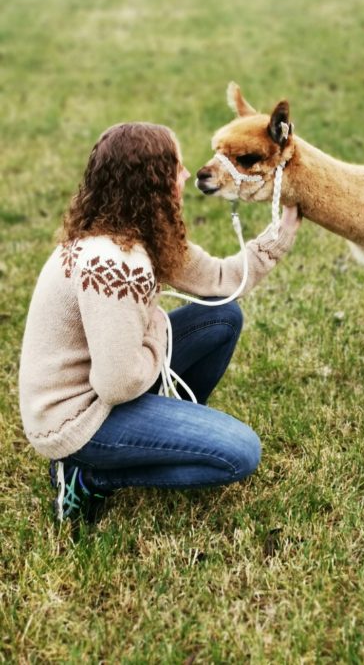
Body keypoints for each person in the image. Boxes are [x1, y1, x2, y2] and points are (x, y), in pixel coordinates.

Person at [19, 122, 301, 523]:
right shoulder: (114, 262)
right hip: (77, 419)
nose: (186, 175)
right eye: (177, 167)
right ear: (152, 182)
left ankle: (168, 434)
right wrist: (154, 333)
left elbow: (223, 281)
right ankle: (89, 476)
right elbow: (115, 383)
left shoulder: (142, 235)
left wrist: (280, 234)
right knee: (240, 453)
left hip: (107, 390)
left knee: (220, 314)